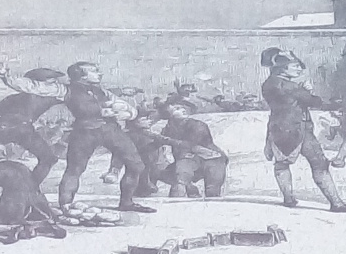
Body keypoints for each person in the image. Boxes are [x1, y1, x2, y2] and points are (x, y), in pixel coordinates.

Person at [56, 63, 156, 213]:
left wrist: (127, 113)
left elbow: (125, 107)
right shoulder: (67, 90)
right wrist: (104, 111)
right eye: (94, 71)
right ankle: (66, 205)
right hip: (85, 131)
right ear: (81, 76)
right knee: (75, 169)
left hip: (110, 128)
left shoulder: (100, 90)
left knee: (136, 165)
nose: (99, 73)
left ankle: (126, 203)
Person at [260, 49, 346, 212]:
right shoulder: (290, 86)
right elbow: (315, 102)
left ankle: (289, 199)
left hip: (278, 128)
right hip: (297, 130)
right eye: (294, 66)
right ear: (281, 68)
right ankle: (336, 204)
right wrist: (307, 90)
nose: (299, 69)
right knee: (319, 164)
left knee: (282, 164)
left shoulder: (268, 84)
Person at [156, 98, 229, 199]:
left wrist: (167, 140)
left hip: (213, 160)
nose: (183, 110)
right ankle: (191, 189)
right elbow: (157, 143)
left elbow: (191, 144)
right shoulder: (168, 128)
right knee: (174, 179)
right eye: (177, 108)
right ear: (168, 113)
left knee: (212, 192)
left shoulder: (198, 125)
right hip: (188, 160)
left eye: (183, 108)